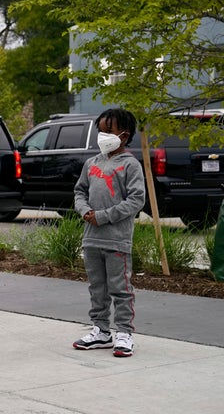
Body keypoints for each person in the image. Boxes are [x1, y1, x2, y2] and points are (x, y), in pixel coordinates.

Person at [72, 108, 145, 358]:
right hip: (91, 238)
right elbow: (79, 192)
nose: (103, 135)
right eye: (100, 130)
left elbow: (137, 200)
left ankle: (124, 333)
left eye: (108, 131)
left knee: (120, 288)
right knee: (97, 287)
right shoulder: (91, 163)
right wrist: (85, 211)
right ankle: (101, 331)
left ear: (123, 135)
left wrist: (102, 216)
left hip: (117, 240)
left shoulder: (130, 165)